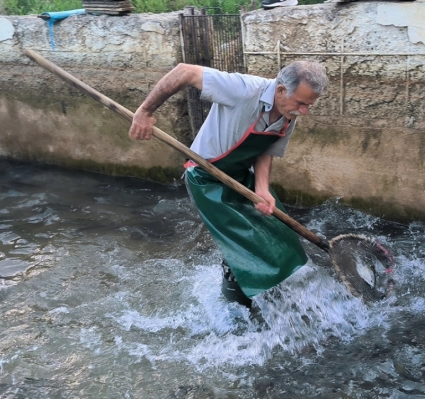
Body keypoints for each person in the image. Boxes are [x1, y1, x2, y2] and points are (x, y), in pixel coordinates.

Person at [128, 61, 328, 307]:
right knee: (243, 243)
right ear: (280, 91)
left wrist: (262, 188)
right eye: (301, 103)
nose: (304, 111)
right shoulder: (243, 89)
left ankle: (272, 295)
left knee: (281, 237)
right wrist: (146, 111)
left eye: (309, 105)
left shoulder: (288, 115)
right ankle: (236, 305)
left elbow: (266, 151)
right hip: (206, 178)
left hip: (242, 175)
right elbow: (184, 72)